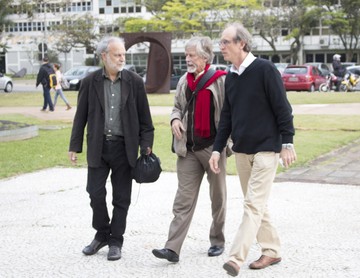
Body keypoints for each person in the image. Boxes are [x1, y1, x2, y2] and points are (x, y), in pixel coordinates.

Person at [209, 22, 297, 277]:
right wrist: (217, 149)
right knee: (257, 205)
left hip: (267, 149)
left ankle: (236, 258)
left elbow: (283, 108)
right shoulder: (231, 77)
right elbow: (226, 117)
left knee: (252, 205)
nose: (221, 46)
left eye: (225, 42)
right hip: (242, 150)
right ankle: (272, 250)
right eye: (221, 42)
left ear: (241, 43)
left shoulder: (265, 70)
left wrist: (287, 142)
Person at [68, 36, 154, 261]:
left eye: (123, 54)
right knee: (94, 192)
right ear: (104, 56)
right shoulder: (89, 82)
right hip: (98, 146)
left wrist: (146, 146)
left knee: (121, 198)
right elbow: (80, 118)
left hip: (124, 148)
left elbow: (146, 120)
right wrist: (74, 146)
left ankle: (116, 240)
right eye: (117, 54)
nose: (122, 58)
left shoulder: (134, 82)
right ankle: (102, 233)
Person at [152, 36, 228, 263]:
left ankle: (217, 241)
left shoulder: (220, 81)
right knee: (182, 201)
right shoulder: (185, 81)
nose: (187, 59)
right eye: (186, 55)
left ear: (205, 57)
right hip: (189, 150)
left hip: (213, 150)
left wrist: (226, 147)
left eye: (191, 55)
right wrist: (175, 119)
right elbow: (176, 107)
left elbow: (229, 115)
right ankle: (172, 248)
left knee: (218, 198)